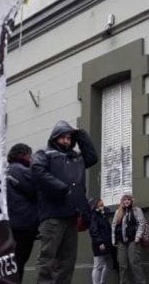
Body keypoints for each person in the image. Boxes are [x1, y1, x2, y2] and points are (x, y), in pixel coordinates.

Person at [31, 121, 97, 284]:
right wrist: (61, 188)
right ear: (55, 137)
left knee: (67, 261)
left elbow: (92, 157)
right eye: (63, 137)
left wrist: (80, 134)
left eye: (69, 138)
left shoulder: (76, 158)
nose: (66, 141)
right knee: (47, 259)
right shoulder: (44, 154)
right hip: (52, 215)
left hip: (72, 216)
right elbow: (37, 171)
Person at [6, 143, 38, 282]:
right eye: (30, 155)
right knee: (19, 263)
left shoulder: (7, 171)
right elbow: (36, 189)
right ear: (23, 155)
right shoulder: (19, 170)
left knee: (13, 264)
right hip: (23, 225)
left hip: (11, 224)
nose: (31, 159)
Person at [112, 194, 147, 284]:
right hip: (121, 242)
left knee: (134, 263)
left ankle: (141, 282)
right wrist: (114, 240)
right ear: (122, 201)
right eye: (124, 199)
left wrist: (137, 237)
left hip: (133, 240)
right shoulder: (118, 212)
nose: (126, 201)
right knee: (122, 265)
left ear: (131, 200)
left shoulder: (136, 210)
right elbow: (114, 226)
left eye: (128, 199)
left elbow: (141, 223)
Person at [89, 197, 114, 284]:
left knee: (107, 264)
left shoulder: (102, 215)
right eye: (100, 205)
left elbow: (108, 210)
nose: (102, 207)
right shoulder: (94, 216)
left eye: (102, 205)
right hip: (99, 243)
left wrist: (103, 212)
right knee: (98, 265)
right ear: (95, 206)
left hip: (107, 242)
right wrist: (100, 242)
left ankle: (102, 282)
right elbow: (93, 230)